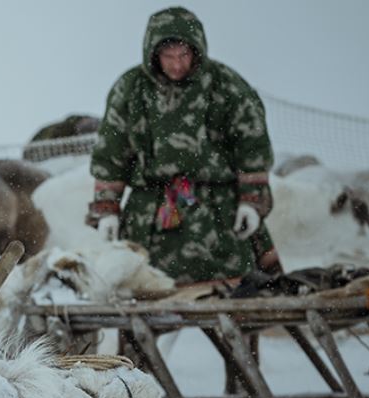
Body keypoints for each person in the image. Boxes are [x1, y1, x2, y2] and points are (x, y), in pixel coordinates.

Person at [88, 6, 278, 284]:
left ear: (196, 51)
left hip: (217, 214)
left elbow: (252, 147)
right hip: (150, 217)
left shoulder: (227, 86)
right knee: (141, 295)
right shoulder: (131, 89)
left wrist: (251, 201)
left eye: (184, 55)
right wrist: (107, 210)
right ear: (154, 54)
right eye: (168, 56)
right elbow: (110, 154)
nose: (177, 65)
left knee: (236, 301)